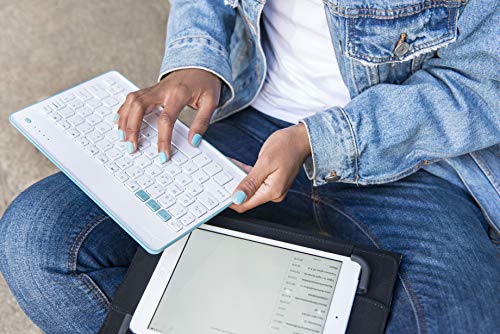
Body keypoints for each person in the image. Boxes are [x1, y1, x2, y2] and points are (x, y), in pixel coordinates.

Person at [1, 0, 499, 333]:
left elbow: (483, 85)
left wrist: (316, 140)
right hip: (248, 121)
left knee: (466, 317)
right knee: (37, 243)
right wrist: (197, 61)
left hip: (417, 160)